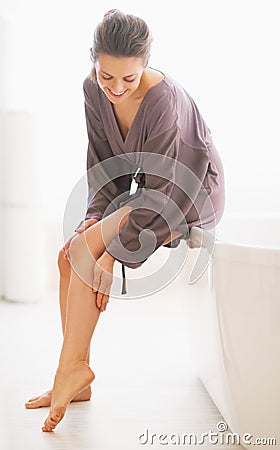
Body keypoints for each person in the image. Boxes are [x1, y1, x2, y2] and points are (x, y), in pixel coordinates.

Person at [25, 9, 225, 431]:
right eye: (106, 76)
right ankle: (76, 377)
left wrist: (112, 254)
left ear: (145, 65)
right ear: (94, 61)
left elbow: (165, 193)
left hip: (187, 194)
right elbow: (103, 167)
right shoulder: (92, 90)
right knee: (69, 256)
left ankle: (69, 371)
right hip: (148, 193)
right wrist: (95, 217)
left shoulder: (164, 101)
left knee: (86, 254)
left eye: (128, 79)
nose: (115, 89)